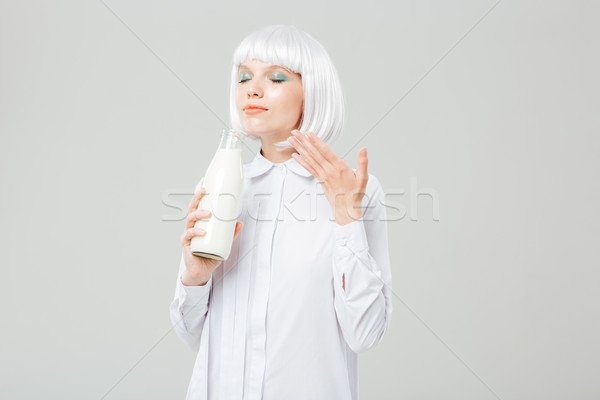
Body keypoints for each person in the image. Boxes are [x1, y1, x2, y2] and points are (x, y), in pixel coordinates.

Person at [170, 24, 393, 400]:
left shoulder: (356, 190)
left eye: (275, 77)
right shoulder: (219, 185)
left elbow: (365, 333)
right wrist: (195, 278)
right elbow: (192, 335)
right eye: (243, 77)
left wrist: (346, 219)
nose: (252, 89)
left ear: (313, 92)